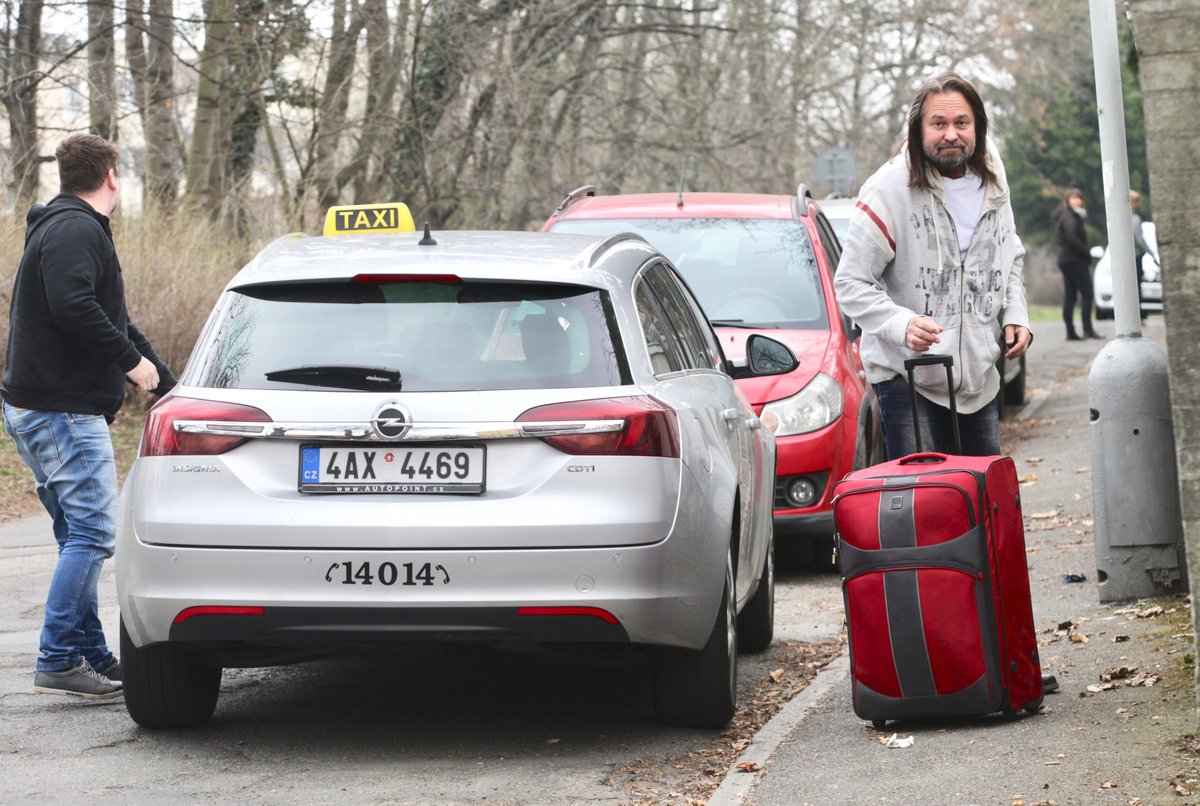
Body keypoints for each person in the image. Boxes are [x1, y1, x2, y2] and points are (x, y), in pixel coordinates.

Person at [2, 134, 176, 699]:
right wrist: (130, 364)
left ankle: (90, 653)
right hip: (63, 410)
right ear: (111, 176)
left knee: (77, 533)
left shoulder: (67, 227)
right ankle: (56, 656)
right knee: (96, 532)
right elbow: (74, 307)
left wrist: (167, 382)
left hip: (46, 406)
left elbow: (110, 315)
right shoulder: (76, 230)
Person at [833, 71, 1033, 461]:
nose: (951, 134)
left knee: (981, 504)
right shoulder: (888, 189)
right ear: (918, 129)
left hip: (979, 382)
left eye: (962, 123)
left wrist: (1016, 313)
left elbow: (1011, 256)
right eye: (938, 124)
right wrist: (901, 324)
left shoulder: (994, 181)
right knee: (923, 509)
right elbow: (851, 283)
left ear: (978, 126)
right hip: (909, 380)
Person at [1053, 188, 1102, 341]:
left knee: (1071, 296)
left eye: (1079, 198)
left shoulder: (1070, 215)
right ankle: (1086, 329)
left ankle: (1071, 332)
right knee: (1086, 294)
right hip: (1074, 260)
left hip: (1067, 260)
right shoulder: (1069, 217)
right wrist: (1086, 253)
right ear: (1067, 200)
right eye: (1074, 198)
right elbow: (1071, 237)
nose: (1077, 201)